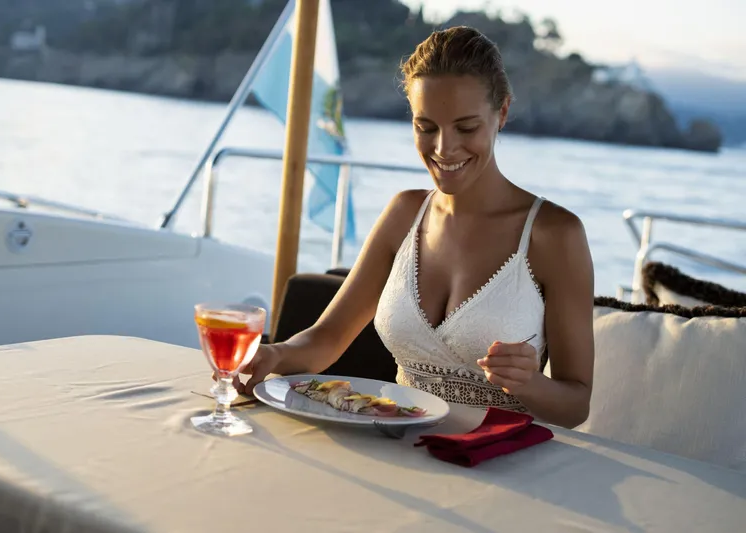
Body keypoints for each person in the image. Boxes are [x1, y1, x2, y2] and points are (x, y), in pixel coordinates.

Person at [238, 26, 595, 429]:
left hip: (501, 464)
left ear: (503, 112)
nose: (444, 148)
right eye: (426, 127)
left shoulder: (555, 234)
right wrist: (275, 354)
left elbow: (575, 405)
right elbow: (326, 339)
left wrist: (530, 384)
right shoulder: (404, 213)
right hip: (400, 447)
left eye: (466, 127)